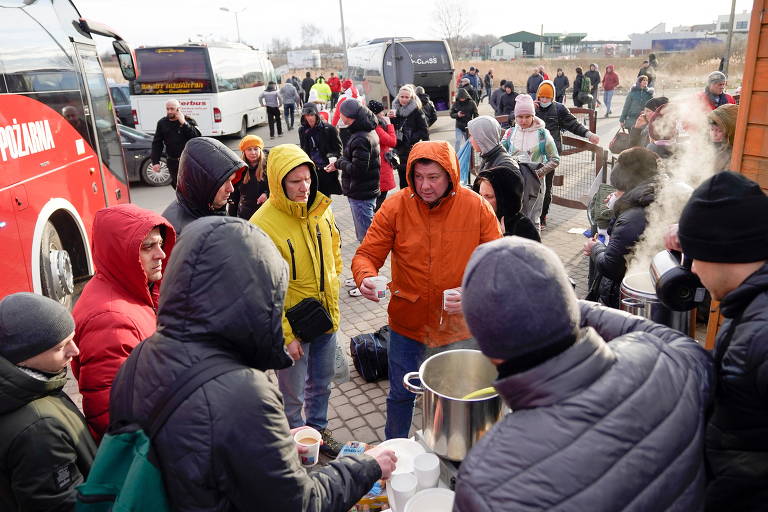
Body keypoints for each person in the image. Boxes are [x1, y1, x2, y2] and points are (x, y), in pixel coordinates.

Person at [109, 216, 396, 511]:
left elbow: (198, 446)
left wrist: (272, 442)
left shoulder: (140, 356)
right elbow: (300, 504)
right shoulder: (245, 391)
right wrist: (366, 467)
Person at [454, 237, 713, 511]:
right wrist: (568, 306)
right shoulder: (667, 359)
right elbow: (673, 341)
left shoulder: (485, 481)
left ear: (484, 344)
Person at [351, 140, 502, 439]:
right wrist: (365, 277)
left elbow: (499, 265)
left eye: (433, 177)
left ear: (450, 175)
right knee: (400, 395)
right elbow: (366, 255)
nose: (425, 186)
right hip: (408, 324)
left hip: (459, 329)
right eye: (418, 177)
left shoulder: (476, 207)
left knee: (458, 398)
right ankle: (393, 454)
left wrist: (474, 294)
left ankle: (452, 455)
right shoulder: (395, 205)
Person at [670, 171, 768, 511]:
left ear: (723, 251)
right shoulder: (750, 306)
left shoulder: (763, 334)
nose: (693, 269)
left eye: (695, 255)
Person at [250, 144, 345, 456]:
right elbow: (262, 290)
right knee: (292, 393)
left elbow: (334, 251)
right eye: (295, 182)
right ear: (278, 182)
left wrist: (334, 288)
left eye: (307, 179)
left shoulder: (321, 208)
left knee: (323, 382)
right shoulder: (262, 224)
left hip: (326, 318)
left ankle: (317, 430)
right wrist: (286, 336)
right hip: (294, 327)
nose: (304, 187)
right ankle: (294, 439)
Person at [71, 204, 175, 443]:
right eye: (148, 247)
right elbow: (109, 413)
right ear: (119, 251)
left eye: (160, 244)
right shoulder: (110, 320)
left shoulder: (129, 289)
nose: (161, 254)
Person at [0, 293, 97, 511]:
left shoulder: (34, 387)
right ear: (23, 357)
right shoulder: (39, 429)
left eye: (72, 338)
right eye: (60, 347)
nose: (75, 350)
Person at [583, 147, 658, 308]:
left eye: (618, 189)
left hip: (627, 298)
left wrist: (595, 247)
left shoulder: (632, 217)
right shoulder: (657, 195)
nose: (615, 193)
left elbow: (611, 267)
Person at [535, 80, 599, 227]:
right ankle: (531, 214)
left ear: (552, 97)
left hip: (550, 155)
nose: (544, 100)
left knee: (547, 186)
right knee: (531, 185)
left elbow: (573, 124)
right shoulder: (533, 107)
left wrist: (589, 134)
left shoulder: (559, 109)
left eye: (547, 97)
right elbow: (515, 118)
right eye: (541, 97)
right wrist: (529, 108)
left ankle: (543, 215)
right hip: (532, 153)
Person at [161, 137, 245, 235]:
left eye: (232, 181)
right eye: (224, 181)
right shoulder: (180, 234)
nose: (231, 189)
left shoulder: (206, 206)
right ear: (201, 183)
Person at [501, 94, 560, 232]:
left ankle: (535, 250)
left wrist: (538, 173)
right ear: (515, 117)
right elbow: (500, 153)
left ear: (533, 116)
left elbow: (555, 159)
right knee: (513, 219)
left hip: (535, 185)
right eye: (520, 117)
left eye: (527, 116)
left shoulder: (543, 134)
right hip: (514, 183)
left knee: (533, 221)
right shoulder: (509, 134)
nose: (523, 120)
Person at [328, 100, 380, 243]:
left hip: (361, 193)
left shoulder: (360, 138)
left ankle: (369, 262)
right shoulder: (367, 130)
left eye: (341, 114)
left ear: (348, 117)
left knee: (366, 238)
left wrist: (338, 163)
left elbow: (358, 170)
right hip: (366, 190)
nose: (339, 117)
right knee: (368, 233)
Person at [472, 170, 539, 241]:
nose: (481, 201)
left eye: (489, 196)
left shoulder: (524, 227)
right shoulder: (475, 219)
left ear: (504, 199)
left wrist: (503, 238)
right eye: (480, 195)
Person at [150, 98, 201, 189]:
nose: (169, 111)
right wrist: (155, 161)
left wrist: (184, 123)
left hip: (188, 161)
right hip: (172, 162)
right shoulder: (162, 123)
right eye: (167, 109)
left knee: (192, 186)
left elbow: (196, 138)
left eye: (172, 109)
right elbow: (157, 143)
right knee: (177, 186)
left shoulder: (188, 121)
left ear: (178, 109)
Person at [298, 103, 343, 198]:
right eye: (306, 115)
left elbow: (339, 150)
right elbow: (304, 149)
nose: (309, 118)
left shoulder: (329, 129)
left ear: (316, 115)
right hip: (311, 170)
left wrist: (332, 157)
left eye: (311, 115)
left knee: (325, 198)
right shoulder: (302, 130)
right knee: (312, 197)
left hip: (326, 169)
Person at [390, 85, 429, 189]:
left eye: (407, 97)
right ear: (398, 97)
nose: (404, 99)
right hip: (399, 150)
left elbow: (424, 131)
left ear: (411, 98)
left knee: (413, 180)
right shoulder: (395, 111)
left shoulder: (417, 111)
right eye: (402, 96)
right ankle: (405, 203)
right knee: (403, 181)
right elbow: (391, 130)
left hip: (413, 149)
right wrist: (389, 119)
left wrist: (410, 138)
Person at [368, 100, 397, 212]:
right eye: (381, 112)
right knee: (380, 197)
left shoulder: (370, 124)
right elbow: (392, 141)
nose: (383, 114)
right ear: (376, 113)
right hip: (382, 165)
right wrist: (389, 124)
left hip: (377, 163)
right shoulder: (377, 128)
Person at [236, 135, 270, 219]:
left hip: (265, 212)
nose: (253, 152)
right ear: (244, 151)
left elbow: (277, 186)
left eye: (256, 149)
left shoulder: (268, 165)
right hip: (245, 213)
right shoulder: (239, 168)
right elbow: (234, 195)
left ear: (260, 150)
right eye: (249, 149)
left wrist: (267, 194)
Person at [708, 103, 738, 172]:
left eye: (719, 131)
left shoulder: (730, 155)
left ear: (729, 133)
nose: (714, 134)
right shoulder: (708, 147)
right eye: (712, 129)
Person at [450, 88, 478, 152]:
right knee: (458, 141)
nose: (462, 99)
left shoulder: (472, 103)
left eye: (463, 98)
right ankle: (457, 155)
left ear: (466, 96)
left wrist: (474, 122)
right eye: (460, 98)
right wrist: (457, 114)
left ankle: (469, 154)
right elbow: (451, 114)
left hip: (468, 126)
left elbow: (476, 114)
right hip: (459, 125)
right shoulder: (456, 103)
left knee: (468, 142)